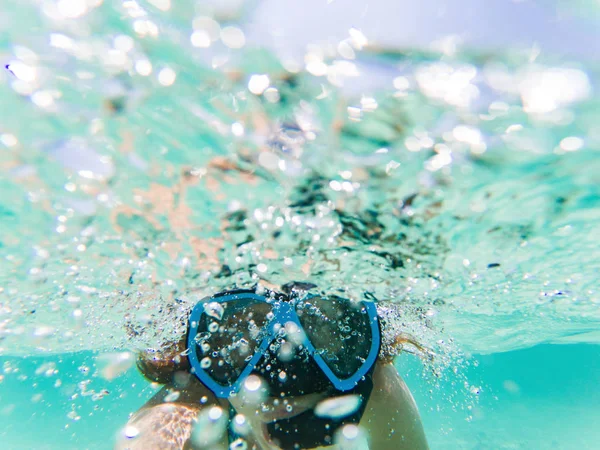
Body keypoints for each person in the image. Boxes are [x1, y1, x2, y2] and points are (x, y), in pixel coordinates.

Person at [115, 283, 429, 450]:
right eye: (242, 338)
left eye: (322, 328)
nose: (282, 374)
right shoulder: (181, 419)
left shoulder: (376, 389)